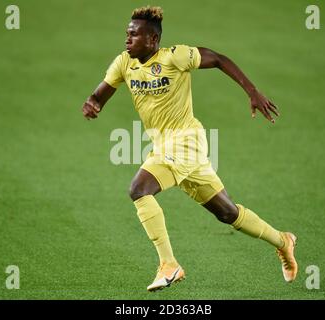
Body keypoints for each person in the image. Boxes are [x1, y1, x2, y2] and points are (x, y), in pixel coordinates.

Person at [82, 6, 298, 292]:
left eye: (134, 34)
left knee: (139, 189)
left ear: (153, 40)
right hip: (167, 147)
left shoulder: (175, 57)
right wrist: (93, 103)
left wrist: (252, 91)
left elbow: (218, 59)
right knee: (227, 213)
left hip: (186, 141)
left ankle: (169, 265)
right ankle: (283, 241)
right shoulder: (124, 63)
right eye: (127, 33)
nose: (127, 39)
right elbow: (101, 93)